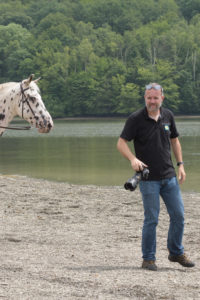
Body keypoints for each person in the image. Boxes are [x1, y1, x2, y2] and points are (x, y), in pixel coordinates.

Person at [117, 83, 195, 271]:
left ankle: (175, 252)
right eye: (149, 97)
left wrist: (181, 165)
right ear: (145, 98)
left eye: (155, 97)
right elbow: (121, 143)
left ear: (162, 98)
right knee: (151, 218)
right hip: (148, 178)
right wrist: (133, 159)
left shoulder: (168, 116)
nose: (152, 101)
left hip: (169, 176)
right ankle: (148, 259)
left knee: (179, 216)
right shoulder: (136, 119)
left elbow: (175, 141)